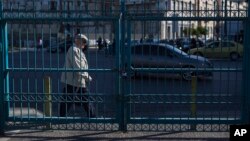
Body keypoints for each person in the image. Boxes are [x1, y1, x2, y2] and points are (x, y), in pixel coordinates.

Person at [60, 34, 95, 117]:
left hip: (77, 80)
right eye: (83, 41)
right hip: (73, 80)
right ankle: (92, 116)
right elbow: (77, 67)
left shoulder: (79, 52)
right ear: (77, 41)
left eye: (85, 42)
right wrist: (87, 77)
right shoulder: (74, 50)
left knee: (69, 99)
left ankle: (62, 116)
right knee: (83, 98)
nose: (84, 44)